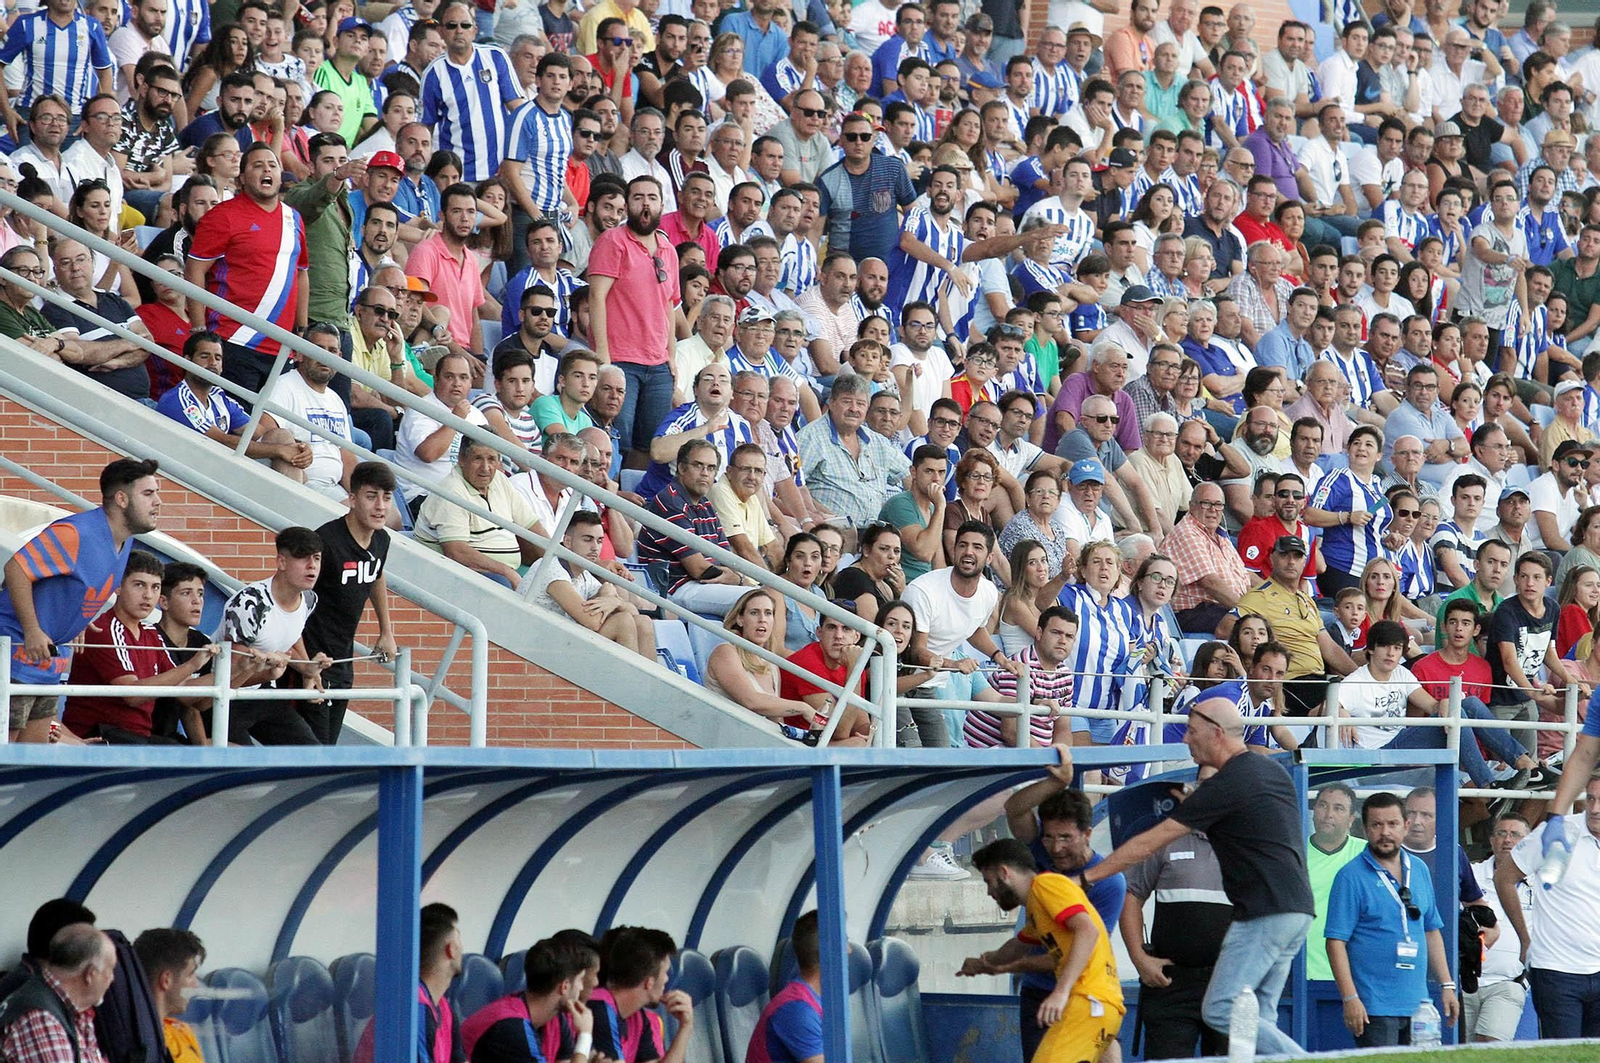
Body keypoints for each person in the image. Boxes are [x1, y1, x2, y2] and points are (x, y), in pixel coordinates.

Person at [1084, 697, 1314, 1058]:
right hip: (1297, 912)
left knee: (1221, 1010)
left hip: (1263, 915)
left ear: (1216, 734)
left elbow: (1149, 841)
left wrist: (1087, 878)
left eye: (1192, 731)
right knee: (1257, 1019)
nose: (1186, 739)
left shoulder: (1228, 782)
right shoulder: (1267, 771)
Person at [0, 458, 159, 744]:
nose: (157, 502)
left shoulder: (126, 541)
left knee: (33, 759)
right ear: (121, 499)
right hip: (14, 652)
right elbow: (15, 569)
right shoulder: (76, 532)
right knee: (6, 749)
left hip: (48, 661)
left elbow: (79, 584)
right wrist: (33, 629)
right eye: (148, 494)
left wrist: (79, 619)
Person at [960, 837, 1124, 1063]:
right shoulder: (1039, 908)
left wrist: (1060, 992)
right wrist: (984, 964)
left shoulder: (1047, 885)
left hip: (1087, 1001)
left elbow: (1088, 931)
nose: (989, 892)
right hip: (1101, 1006)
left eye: (988, 881)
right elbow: (1017, 946)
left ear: (1004, 872)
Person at [1325, 791, 1459, 1047]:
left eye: (1392, 824)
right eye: (1376, 825)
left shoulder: (1418, 869)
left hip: (1419, 1006)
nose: (1384, 832)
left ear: (1405, 826)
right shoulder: (1350, 876)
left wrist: (1447, 985)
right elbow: (1335, 942)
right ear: (1364, 829)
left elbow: (1431, 930)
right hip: (1373, 1007)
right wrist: (1350, 998)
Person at [1118, 770, 1232, 1060]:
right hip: (1169, 984)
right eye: (1201, 784)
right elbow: (1131, 896)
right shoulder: (1165, 837)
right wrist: (1139, 958)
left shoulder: (1245, 843)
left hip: (1229, 984)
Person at [185, 142, 309, 395]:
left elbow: (301, 273)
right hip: (233, 339)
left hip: (282, 347)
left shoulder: (293, 218)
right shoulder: (223, 215)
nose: (267, 170)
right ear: (242, 178)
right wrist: (199, 330)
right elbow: (195, 270)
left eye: (272, 165)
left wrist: (302, 331)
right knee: (238, 427)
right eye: (257, 165)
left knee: (271, 431)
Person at [59, 551, 217, 743]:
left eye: (155, 587)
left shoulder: (151, 633)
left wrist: (239, 668)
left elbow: (183, 690)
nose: (148, 595)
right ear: (117, 587)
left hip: (136, 739)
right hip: (100, 738)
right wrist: (192, 665)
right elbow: (132, 694)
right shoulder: (106, 629)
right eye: (139, 585)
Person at [300, 461, 398, 744]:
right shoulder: (325, 542)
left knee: (328, 745)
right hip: (313, 660)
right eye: (371, 496)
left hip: (342, 660)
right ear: (352, 499)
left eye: (387, 498)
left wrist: (386, 631)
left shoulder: (381, 540)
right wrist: (305, 664)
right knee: (313, 751)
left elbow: (376, 574)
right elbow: (295, 597)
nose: (380, 506)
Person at [1497, 773, 1600, 1039]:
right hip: (1556, 971)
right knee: (1563, 1055)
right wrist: (1524, 938)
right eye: (1591, 799)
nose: (1596, 809)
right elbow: (1505, 878)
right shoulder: (1560, 832)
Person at [590, 175, 682, 460]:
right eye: (638, 197)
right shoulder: (612, 241)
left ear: (661, 205)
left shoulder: (668, 250)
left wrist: (671, 356)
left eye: (652, 198)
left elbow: (669, 304)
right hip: (620, 360)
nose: (645, 204)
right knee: (618, 440)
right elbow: (596, 297)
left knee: (651, 445)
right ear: (627, 205)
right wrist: (603, 356)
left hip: (657, 365)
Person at [218, 527, 328, 746]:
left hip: (263, 693)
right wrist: (269, 673)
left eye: (316, 558)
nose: (312, 566)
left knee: (312, 755)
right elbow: (229, 676)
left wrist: (307, 668)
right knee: (245, 768)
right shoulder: (250, 604)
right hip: (224, 699)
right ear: (281, 562)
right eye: (302, 557)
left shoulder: (308, 599)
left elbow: (291, 632)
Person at [156, 331, 311, 481]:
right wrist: (280, 450)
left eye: (218, 358)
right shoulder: (178, 399)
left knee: (281, 436)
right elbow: (221, 441)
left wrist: (298, 447)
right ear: (187, 360)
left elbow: (262, 433)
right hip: (197, 472)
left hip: (221, 468)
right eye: (204, 356)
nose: (212, 363)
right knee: (284, 453)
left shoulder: (218, 397)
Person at [414, 437, 542, 589]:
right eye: (478, 459)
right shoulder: (452, 490)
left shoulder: (499, 479)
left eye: (492, 459)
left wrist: (559, 561)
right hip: (457, 575)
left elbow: (532, 525)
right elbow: (456, 552)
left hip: (504, 572)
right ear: (462, 459)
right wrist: (506, 572)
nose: (485, 468)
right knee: (502, 585)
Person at [460, 937, 597, 1063]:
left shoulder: (555, 1018)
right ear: (565, 986)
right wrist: (585, 1035)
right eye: (580, 980)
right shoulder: (511, 1026)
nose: (581, 987)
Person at [0, 925, 116, 1063]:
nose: (112, 978)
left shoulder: (70, 1010)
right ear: (90, 974)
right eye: (110, 969)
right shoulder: (41, 1018)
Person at [1464, 813, 1531, 1044]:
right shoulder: (1470, 875)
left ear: (1528, 842)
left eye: (1515, 835)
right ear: (1491, 840)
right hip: (1466, 981)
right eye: (1501, 833)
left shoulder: (1540, 882)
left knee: (1491, 1047)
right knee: (1457, 1052)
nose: (1507, 840)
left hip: (1508, 982)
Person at [1162, 481, 1251, 632]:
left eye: (1218, 505)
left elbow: (1244, 579)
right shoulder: (1187, 533)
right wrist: (1250, 612)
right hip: (1196, 612)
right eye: (1206, 503)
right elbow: (1210, 583)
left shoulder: (1220, 535)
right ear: (1191, 506)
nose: (1213, 510)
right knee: (1250, 630)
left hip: (1224, 608)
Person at [746, 910, 823, 1063]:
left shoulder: (814, 1000)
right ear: (828, 954)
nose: (849, 950)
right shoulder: (797, 1009)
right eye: (844, 943)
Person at [1306, 784, 1365, 983]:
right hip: (1303, 975)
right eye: (1322, 806)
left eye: (1338, 808)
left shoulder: (1369, 855)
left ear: (1351, 820)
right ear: (1313, 812)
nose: (1328, 814)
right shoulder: (1293, 854)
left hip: (1357, 979)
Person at [132, 929, 207, 1063]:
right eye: (190, 974)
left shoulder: (182, 1030)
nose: (196, 985)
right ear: (166, 980)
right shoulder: (137, 1042)